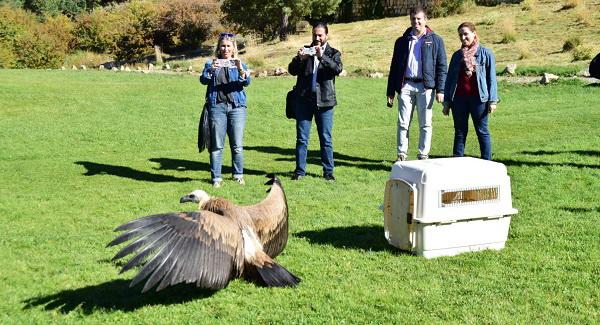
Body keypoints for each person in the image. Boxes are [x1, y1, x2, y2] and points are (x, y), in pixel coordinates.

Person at [386, 6, 447, 161]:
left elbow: (441, 66)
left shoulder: (435, 40)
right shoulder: (402, 41)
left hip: (425, 87)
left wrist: (441, 90)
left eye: (419, 19)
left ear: (425, 20)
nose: (416, 22)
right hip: (405, 86)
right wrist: (390, 92)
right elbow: (394, 67)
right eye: (413, 19)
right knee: (403, 122)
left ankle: (423, 155)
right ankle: (401, 155)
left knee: (425, 123)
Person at [288, 22, 343, 181]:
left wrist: (321, 57)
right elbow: (292, 70)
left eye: (320, 35)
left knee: (325, 138)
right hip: (304, 100)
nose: (317, 38)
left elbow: (337, 69)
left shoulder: (333, 53)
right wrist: (300, 59)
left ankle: (328, 172)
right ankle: (299, 172)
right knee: (302, 138)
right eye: (314, 35)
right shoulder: (305, 50)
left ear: (326, 35)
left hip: (325, 101)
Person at [200, 32, 251, 188]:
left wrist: (241, 69)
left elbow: (247, 82)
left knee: (237, 145)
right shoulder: (211, 64)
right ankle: (216, 178)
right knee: (217, 145)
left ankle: (238, 175)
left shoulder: (240, 64)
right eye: (223, 46)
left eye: (229, 46)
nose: (225, 49)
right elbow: (203, 80)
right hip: (217, 107)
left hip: (237, 107)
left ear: (233, 47)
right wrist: (211, 70)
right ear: (219, 47)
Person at [443, 22, 499, 160]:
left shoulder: (486, 53)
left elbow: (491, 78)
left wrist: (492, 101)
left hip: (479, 99)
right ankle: (457, 161)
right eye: (460, 35)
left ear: (474, 33)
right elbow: (450, 79)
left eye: (466, 34)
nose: (463, 37)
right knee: (460, 131)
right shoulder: (457, 56)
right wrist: (447, 102)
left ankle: (487, 162)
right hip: (459, 100)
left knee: (482, 131)